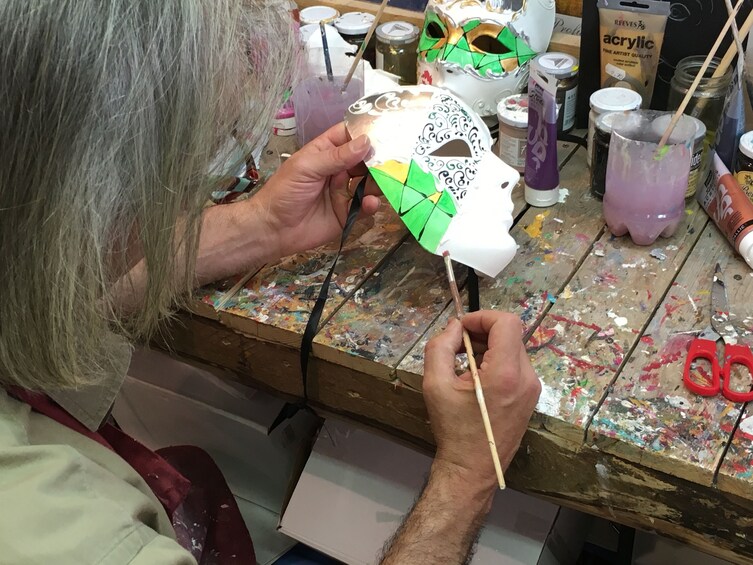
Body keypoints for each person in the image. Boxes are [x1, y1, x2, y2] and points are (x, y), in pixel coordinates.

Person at [0, 1, 540, 564]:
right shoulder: (54, 528)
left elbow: (60, 281)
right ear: (86, 192)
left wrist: (263, 225)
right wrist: (467, 474)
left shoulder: (22, 222)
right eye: (188, 179)